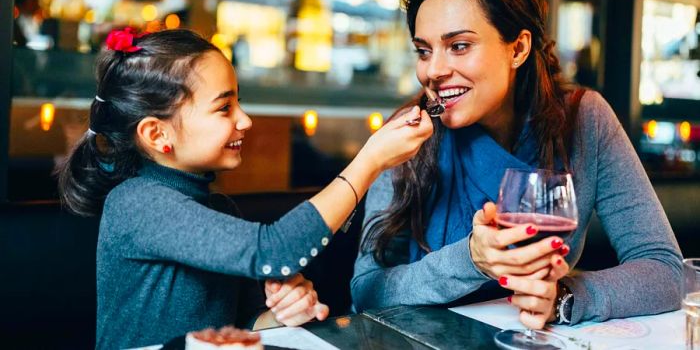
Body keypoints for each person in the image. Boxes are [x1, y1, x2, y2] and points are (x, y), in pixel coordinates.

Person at [351, 0, 682, 330]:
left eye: (459, 46)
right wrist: (471, 259)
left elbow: (664, 270)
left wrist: (563, 297)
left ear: (518, 49)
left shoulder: (583, 119)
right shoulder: (407, 135)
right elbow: (366, 291)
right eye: (424, 51)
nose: (433, 70)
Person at [56, 28, 432, 349]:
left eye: (240, 102)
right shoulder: (136, 202)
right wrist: (371, 161)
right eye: (224, 108)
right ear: (157, 134)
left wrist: (282, 314)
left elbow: (241, 324)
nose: (246, 120)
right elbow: (277, 250)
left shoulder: (217, 208)